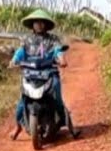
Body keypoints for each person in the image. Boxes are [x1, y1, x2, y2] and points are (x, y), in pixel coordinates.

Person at [11, 9, 78, 139]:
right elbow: (20, 52)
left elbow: (58, 51)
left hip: (50, 73)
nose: (39, 25)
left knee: (57, 98)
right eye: (37, 22)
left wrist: (61, 59)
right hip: (30, 75)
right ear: (32, 25)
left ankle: (70, 127)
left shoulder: (53, 39)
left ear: (46, 24)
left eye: (42, 22)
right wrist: (14, 60)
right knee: (22, 101)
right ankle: (18, 126)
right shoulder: (27, 40)